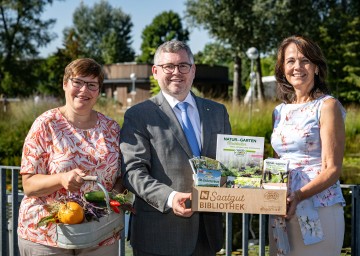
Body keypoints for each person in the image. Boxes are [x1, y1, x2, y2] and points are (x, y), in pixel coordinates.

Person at [120, 40, 232, 256]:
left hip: (207, 236)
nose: (176, 72)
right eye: (168, 66)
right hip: (159, 236)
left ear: (193, 70)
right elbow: (132, 172)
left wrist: (250, 175)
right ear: (155, 71)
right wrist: (170, 198)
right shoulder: (139, 115)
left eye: (183, 66)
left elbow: (229, 165)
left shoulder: (217, 112)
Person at [18, 58, 123, 256]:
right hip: (47, 235)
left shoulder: (111, 128)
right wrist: (61, 179)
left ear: (98, 91)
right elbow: (29, 185)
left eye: (92, 85)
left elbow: (121, 176)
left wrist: (109, 201)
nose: (84, 90)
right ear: (65, 84)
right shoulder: (45, 125)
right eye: (78, 82)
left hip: (100, 233)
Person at [269, 35, 346, 256]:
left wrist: (299, 195)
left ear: (316, 67)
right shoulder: (279, 111)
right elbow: (277, 163)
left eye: (305, 60)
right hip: (281, 206)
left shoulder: (327, 106)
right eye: (290, 61)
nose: (297, 67)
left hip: (317, 205)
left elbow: (332, 169)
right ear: (283, 69)